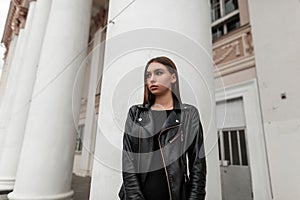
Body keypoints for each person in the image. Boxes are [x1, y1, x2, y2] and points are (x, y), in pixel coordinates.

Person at [119, 56, 206, 200]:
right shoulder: (135, 113)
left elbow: (198, 164)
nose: (152, 79)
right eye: (148, 75)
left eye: (158, 73)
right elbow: (128, 160)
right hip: (138, 195)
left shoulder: (189, 114)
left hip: (175, 195)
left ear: (173, 77)